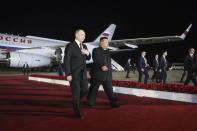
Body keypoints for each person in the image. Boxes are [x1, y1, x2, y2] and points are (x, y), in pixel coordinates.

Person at [63, 29, 91, 118]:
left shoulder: (85, 46)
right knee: (76, 92)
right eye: (82, 34)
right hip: (74, 74)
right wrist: (68, 74)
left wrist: (87, 53)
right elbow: (66, 60)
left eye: (85, 35)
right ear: (76, 35)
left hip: (83, 74)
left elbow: (88, 58)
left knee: (85, 90)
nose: (84, 36)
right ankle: (77, 112)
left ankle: (76, 102)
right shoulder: (70, 46)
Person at [87, 37, 119, 108]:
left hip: (107, 76)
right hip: (98, 74)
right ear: (101, 42)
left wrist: (110, 75)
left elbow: (109, 63)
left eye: (108, 42)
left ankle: (113, 103)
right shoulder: (96, 50)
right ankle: (90, 102)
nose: (108, 43)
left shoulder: (107, 52)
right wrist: (101, 65)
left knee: (109, 90)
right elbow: (96, 59)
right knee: (93, 89)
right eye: (106, 42)